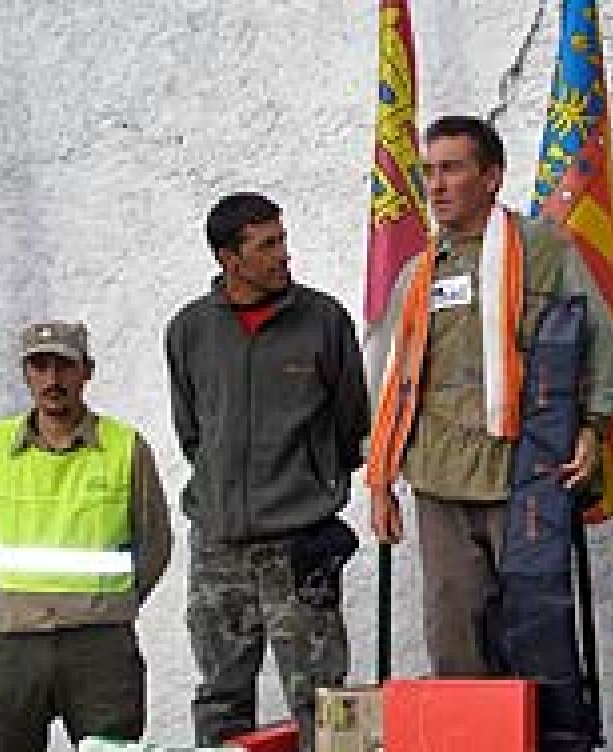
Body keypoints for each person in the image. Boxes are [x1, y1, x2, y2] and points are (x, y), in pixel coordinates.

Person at [366, 115, 613, 676]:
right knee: (454, 636)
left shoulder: (542, 250)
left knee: (536, 638)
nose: (435, 185)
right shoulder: (417, 272)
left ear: (491, 177)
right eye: (428, 171)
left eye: (452, 169)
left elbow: (599, 345)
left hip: (526, 474)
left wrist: (593, 425)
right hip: (440, 481)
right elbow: (387, 381)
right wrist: (381, 479)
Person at [166, 192, 369, 749]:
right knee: (220, 697)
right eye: (267, 245)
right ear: (229, 259)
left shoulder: (323, 321)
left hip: (300, 543)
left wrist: (308, 485)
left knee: (325, 702)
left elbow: (351, 421)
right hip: (219, 547)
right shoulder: (188, 330)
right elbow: (192, 432)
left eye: (282, 240)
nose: (284, 254)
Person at [0, 321, 173, 752]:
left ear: (87, 371)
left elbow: (155, 544)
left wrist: (115, 600)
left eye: (63, 366)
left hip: (100, 643)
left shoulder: (126, 447)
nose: (52, 380)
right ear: (25, 374)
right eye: (39, 367)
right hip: (16, 643)